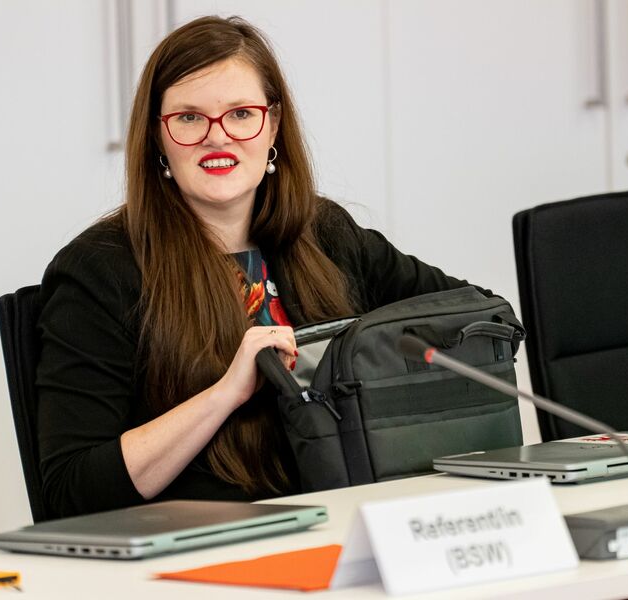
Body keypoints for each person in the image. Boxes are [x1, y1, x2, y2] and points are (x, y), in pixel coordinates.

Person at [36, 15, 489, 518]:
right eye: (188, 118)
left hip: (345, 520)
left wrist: (363, 359)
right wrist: (226, 394)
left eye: (240, 113)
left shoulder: (323, 231)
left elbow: (478, 319)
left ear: (272, 123)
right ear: (156, 138)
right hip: (200, 553)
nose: (217, 137)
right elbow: (71, 489)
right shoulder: (99, 270)